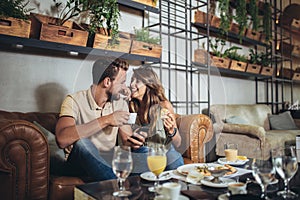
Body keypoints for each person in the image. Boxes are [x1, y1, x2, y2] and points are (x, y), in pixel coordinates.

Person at [55, 58, 145, 181]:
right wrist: (107, 120)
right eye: (122, 82)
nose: (125, 87)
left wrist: (135, 140)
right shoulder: (73, 100)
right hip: (78, 164)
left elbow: (126, 140)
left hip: (108, 162)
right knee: (83, 144)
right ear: (107, 82)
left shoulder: (119, 102)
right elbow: (62, 139)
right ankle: (116, 187)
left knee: (145, 151)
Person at [129, 66, 184, 170]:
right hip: (143, 150)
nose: (132, 84)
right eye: (132, 80)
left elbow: (178, 143)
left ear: (149, 85)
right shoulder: (130, 107)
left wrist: (172, 131)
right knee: (145, 154)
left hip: (165, 149)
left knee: (174, 159)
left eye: (137, 81)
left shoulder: (164, 106)